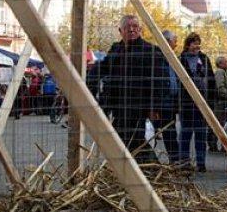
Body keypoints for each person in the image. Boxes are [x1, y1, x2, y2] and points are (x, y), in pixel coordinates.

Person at [86, 14, 171, 164]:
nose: (131, 30)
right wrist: (88, 83)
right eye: (127, 27)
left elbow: (160, 82)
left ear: (140, 30)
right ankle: (140, 169)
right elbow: (103, 67)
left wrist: (154, 107)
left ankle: (150, 168)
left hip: (138, 104)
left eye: (134, 27)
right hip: (117, 103)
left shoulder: (150, 51)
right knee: (124, 138)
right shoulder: (116, 50)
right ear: (121, 30)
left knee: (132, 138)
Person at [178, 32, 216, 172]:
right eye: (194, 43)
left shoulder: (204, 59)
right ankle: (184, 162)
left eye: (198, 43)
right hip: (187, 103)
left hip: (202, 104)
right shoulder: (181, 59)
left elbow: (211, 80)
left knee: (201, 134)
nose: (197, 46)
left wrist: (211, 101)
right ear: (188, 45)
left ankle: (201, 163)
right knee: (185, 134)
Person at [161, 29, 181, 164]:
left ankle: (175, 160)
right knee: (169, 132)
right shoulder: (159, 57)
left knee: (170, 132)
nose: (176, 44)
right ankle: (175, 160)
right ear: (167, 42)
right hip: (163, 101)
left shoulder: (174, 58)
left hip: (172, 101)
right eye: (175, 41)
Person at [213, 55, 227, 145]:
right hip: (221, 102)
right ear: (220, 64)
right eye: (226, 61)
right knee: (219, 122)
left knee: (223, 122)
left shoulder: (225, 72)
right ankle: (213, 143)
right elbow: (220, 88)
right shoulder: (220, 72)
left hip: (224, 102)